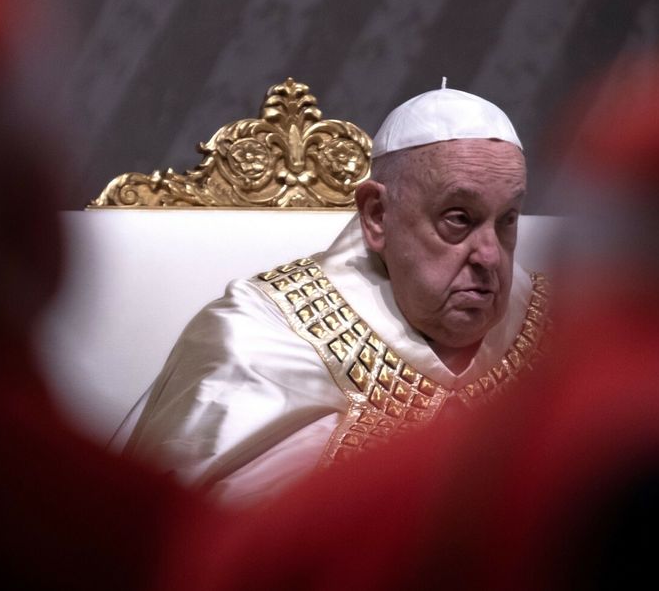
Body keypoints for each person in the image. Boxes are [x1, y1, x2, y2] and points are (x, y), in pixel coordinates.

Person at [125, 84, 552, 505]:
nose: (490, 256)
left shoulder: (554, 325)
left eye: (507, 220)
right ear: (377, 215)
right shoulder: (258, 337)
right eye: (458, 219)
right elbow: (184, 540)